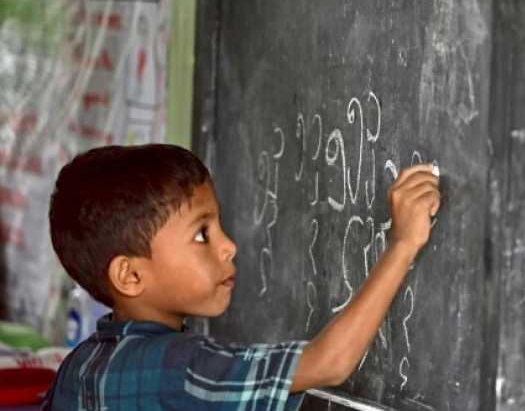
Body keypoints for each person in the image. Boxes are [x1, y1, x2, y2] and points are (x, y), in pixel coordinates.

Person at [41, 143, 440, 410]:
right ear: (129, 276)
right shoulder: (180, 367)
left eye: (219, 226)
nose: (228, 245)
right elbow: (330, 363)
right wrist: (402, 243)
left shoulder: (77, 366)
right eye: (202, 234)